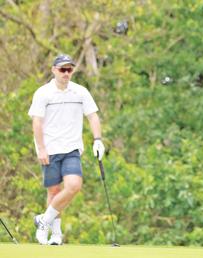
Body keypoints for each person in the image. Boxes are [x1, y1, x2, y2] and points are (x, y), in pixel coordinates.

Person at [28, 54, 105, 245]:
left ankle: (43, 220)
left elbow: (93, 117)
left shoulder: (80, 92)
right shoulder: (43, 93)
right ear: (54, 70)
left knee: (73, 186)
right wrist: (42, 148)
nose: (66, 73)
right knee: (54, 191)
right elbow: (37, 122)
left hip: (72, 148)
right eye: (62, 69)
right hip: (50, 148)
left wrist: (97, 140)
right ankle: (55, 234)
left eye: (69, 69)